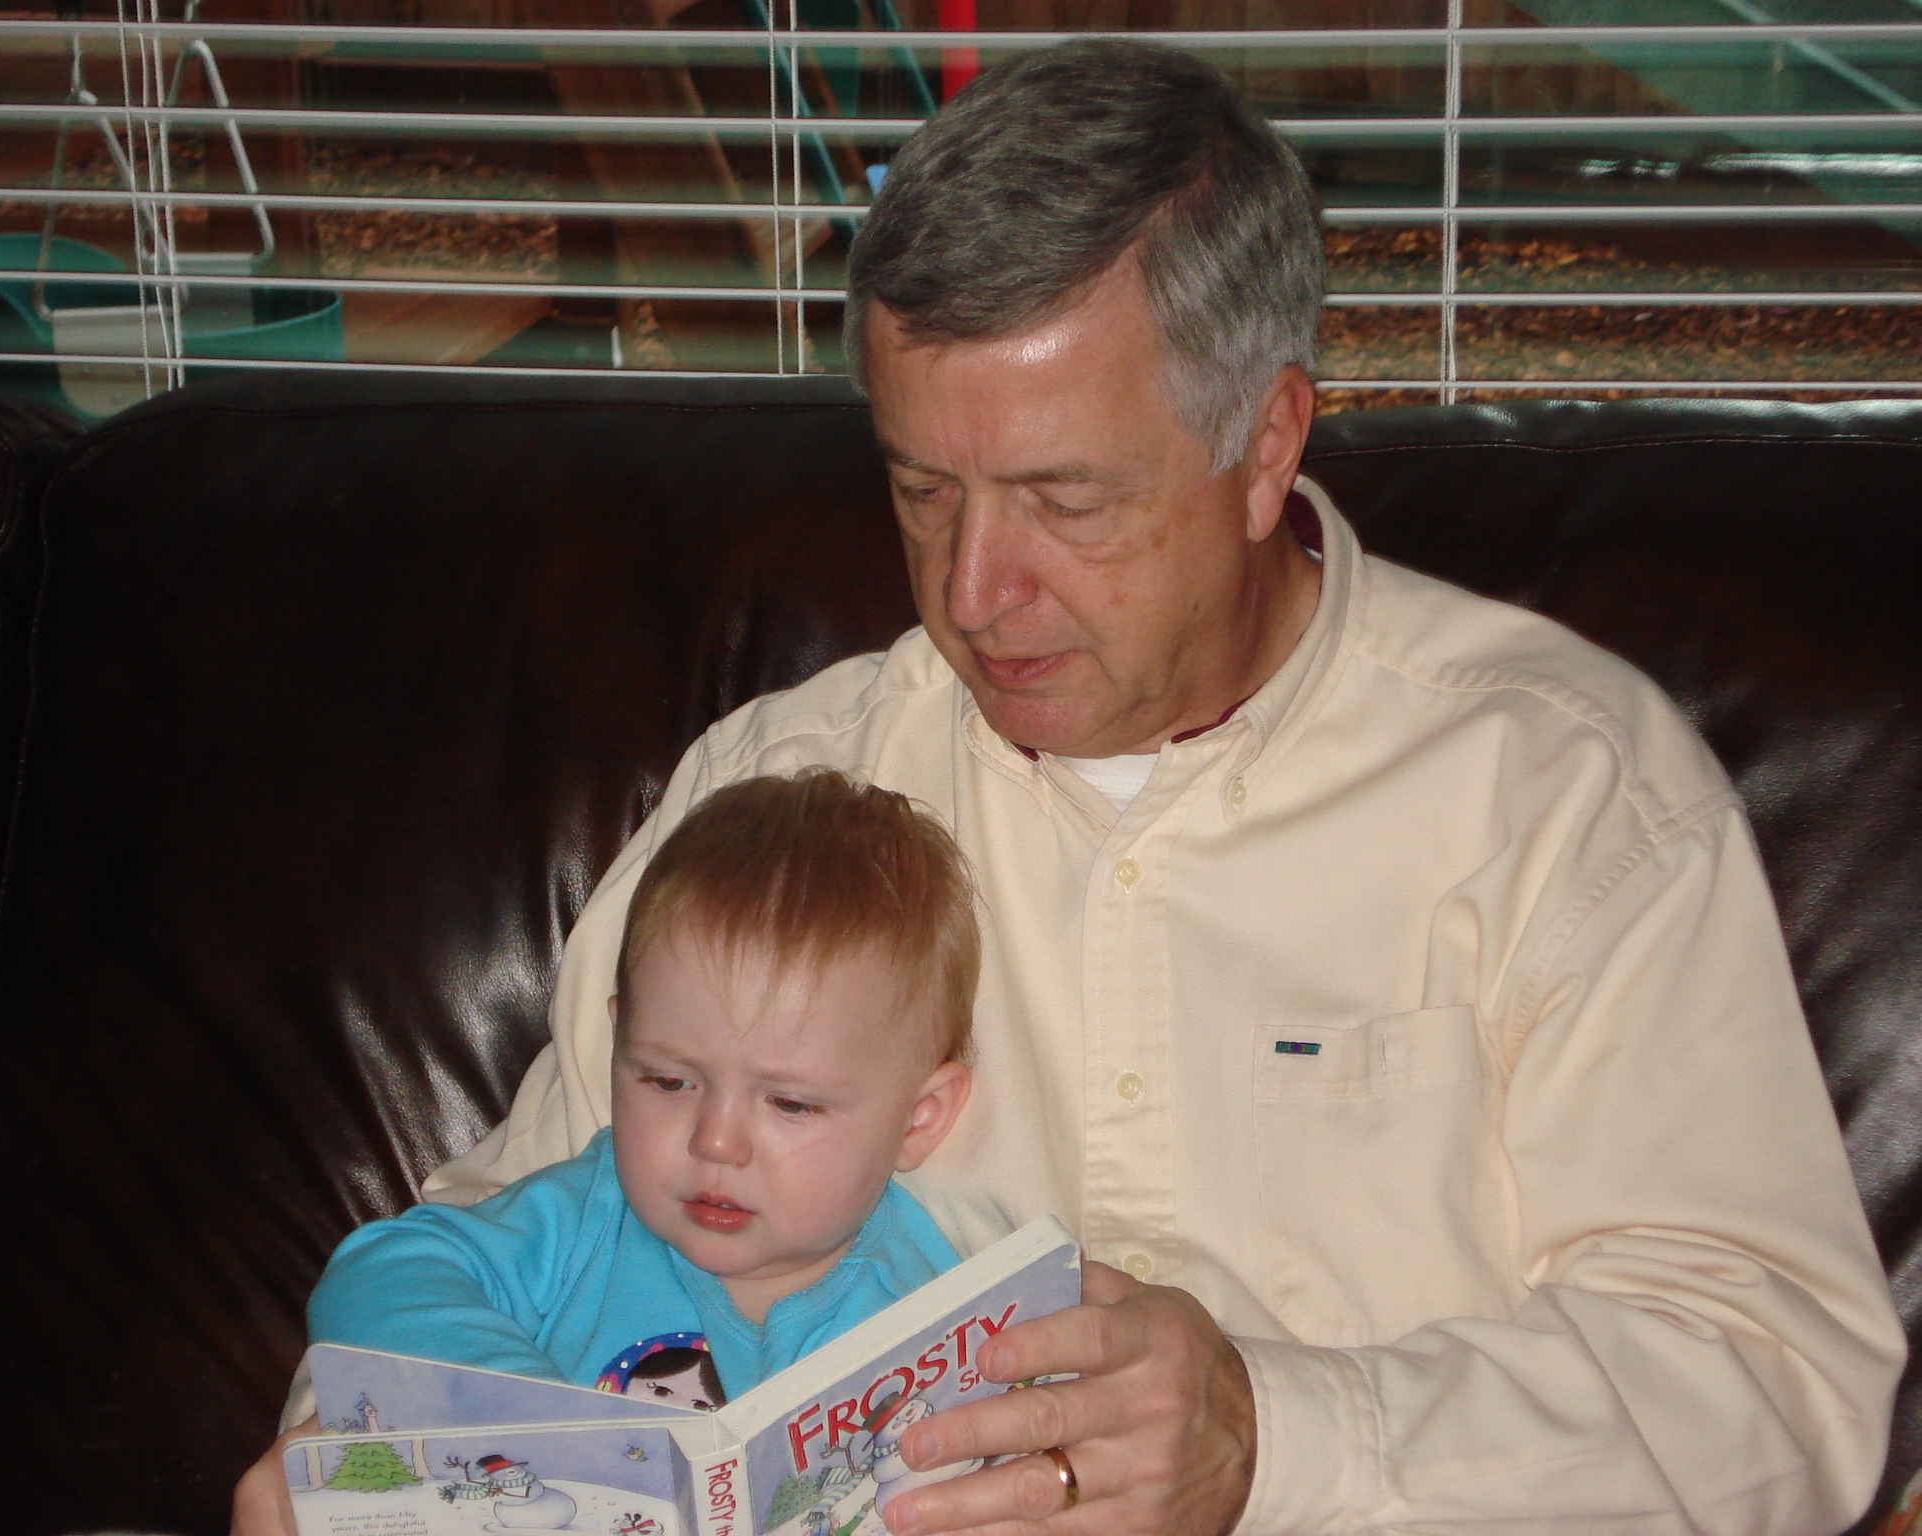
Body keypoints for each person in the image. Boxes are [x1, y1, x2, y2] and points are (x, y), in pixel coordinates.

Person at [236, 36, 1904, 1536]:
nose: (973, 591)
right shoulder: (788, 788)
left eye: (1065, 501)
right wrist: (364, 1465)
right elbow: (497, 1238)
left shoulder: (1555, 790)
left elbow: (1779, 1389)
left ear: (1263, 445)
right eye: (922, 491)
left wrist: (1277, 1435)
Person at [307, 769, 980, 1402]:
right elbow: (376, 1278)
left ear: (917, 1119)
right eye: (668, 1080)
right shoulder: (588, 1219)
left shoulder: (934, 1321)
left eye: (789, 1103)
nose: (715, 1141)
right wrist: (530, 1410)